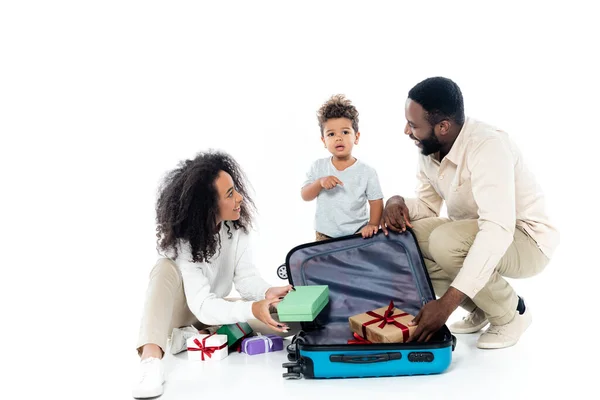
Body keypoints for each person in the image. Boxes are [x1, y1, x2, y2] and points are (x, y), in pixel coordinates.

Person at [381, 77, 559, 349]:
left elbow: (497, 230)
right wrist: (395, 201)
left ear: (443, 127)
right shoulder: (429, 147)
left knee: (445, 242)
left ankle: (511, 315)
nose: (406, 130)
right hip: (475, 233)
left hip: (526, 240)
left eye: (414, 125)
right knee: (407, 241)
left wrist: (446, 306)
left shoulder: (487, 145)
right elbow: (428, 207)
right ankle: (482, 308)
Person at [133, 150, 296, 398]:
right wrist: (252, 309)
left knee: (290, 321)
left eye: (235, 189)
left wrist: (266, 292)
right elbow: (203, 306)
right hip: (190, 310)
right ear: (207, 206)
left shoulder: (235, 229)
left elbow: (244, 277)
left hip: (210, 313)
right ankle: (151, 360)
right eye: (230, 194)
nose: (240, 197)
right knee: (163, 268)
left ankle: (191, 337)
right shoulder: (185, 242)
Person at [301, 94, 384, 241]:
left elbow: (376, 201)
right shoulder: (318, 166)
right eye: (331, 134)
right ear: (324, 141)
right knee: (327, 264)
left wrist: (372, 224)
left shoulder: (367, 172)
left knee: (357, 263)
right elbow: (305, 195)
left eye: (345, 132)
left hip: (358, 233)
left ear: (356, 137)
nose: (338, 138)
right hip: (324, 235)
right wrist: (319, 183)